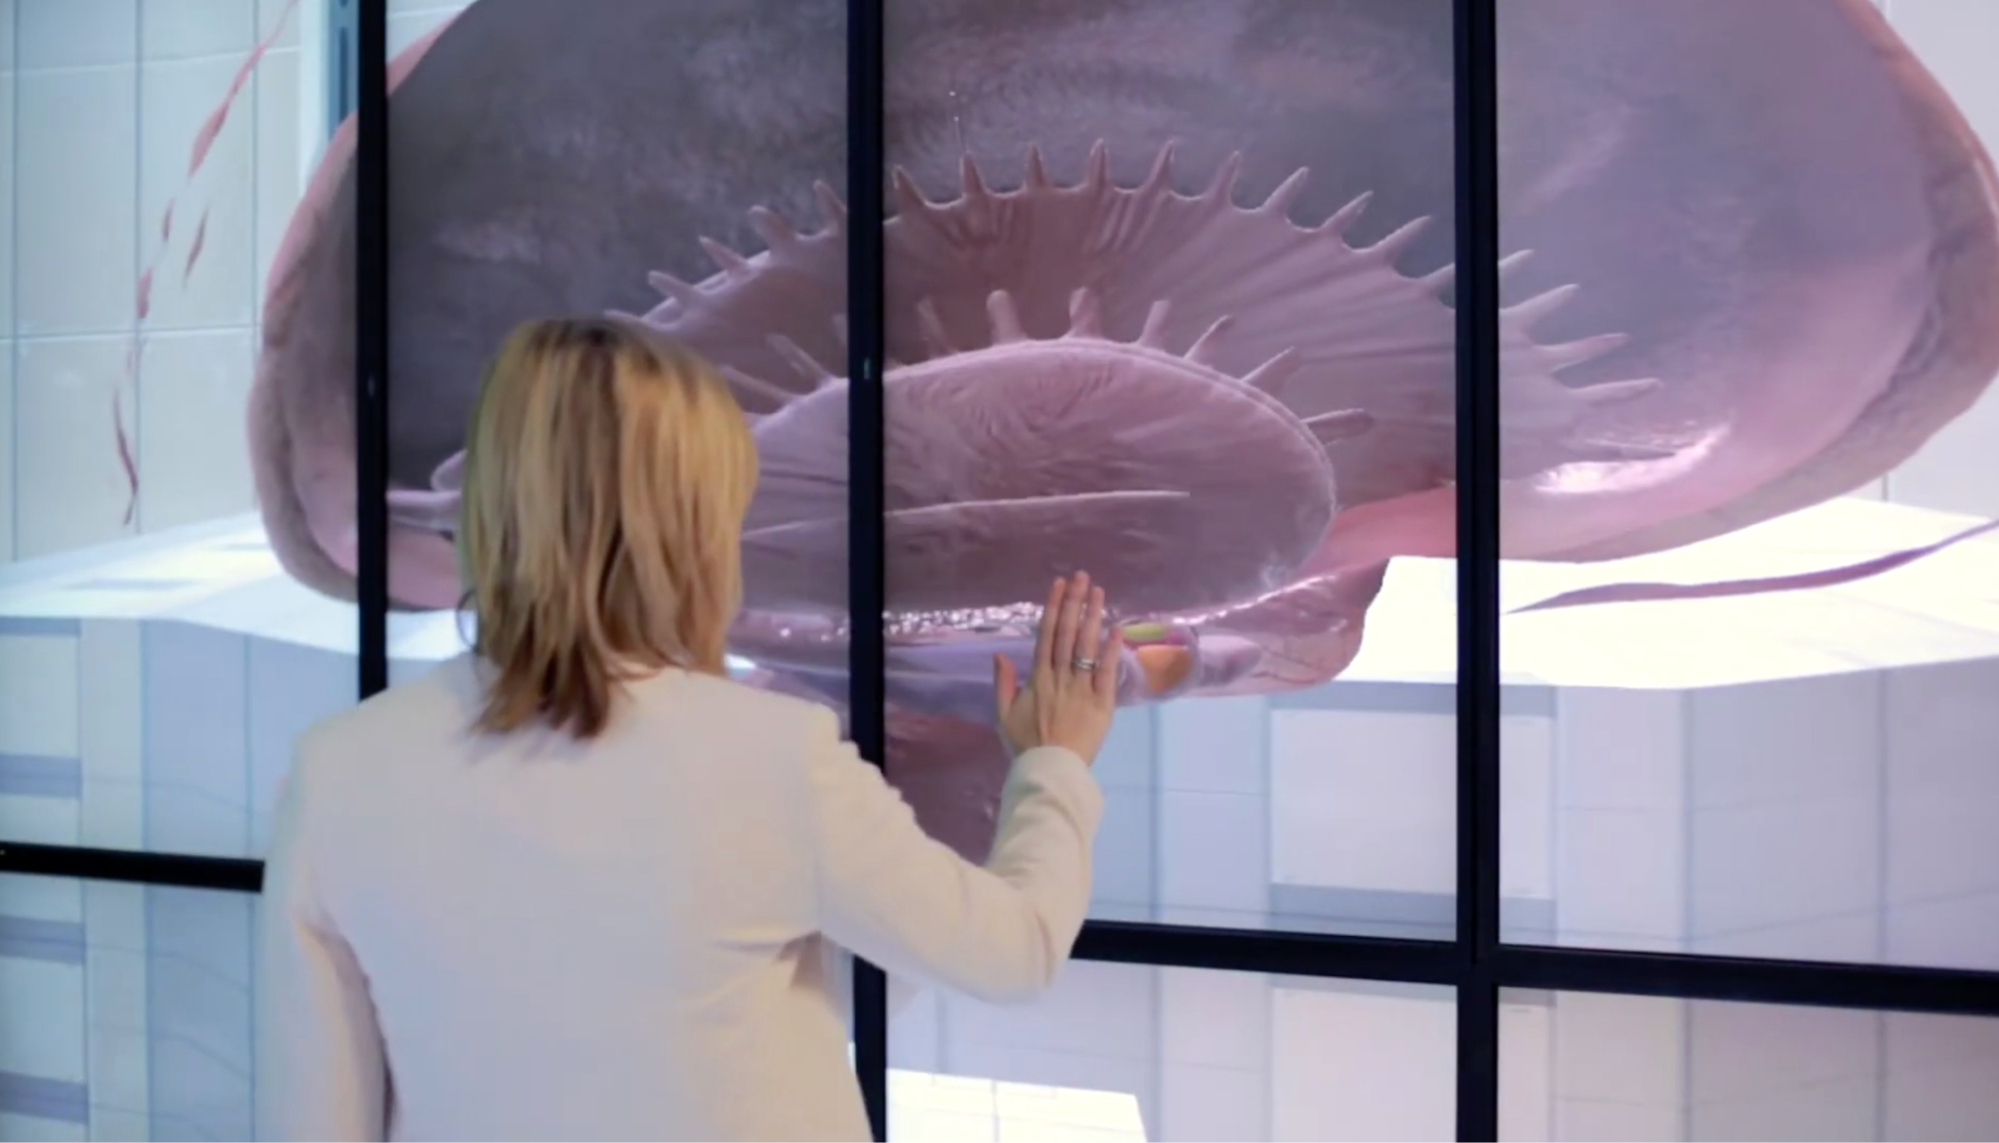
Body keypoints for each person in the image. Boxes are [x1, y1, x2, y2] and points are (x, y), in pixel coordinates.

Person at [254, 317, 1124, 1143]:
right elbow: (1014, 951)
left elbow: (316, 1119)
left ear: (490, 498)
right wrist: (1052, 763)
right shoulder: (776, 758)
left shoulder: (337, 776)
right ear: (690, 528)